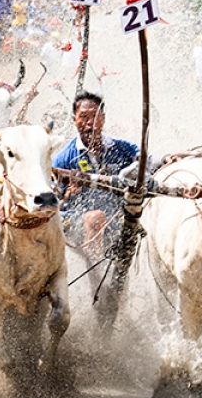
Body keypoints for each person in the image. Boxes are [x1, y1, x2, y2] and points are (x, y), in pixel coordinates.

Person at [53, 92, 140, 271]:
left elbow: (147, 161)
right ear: (74, 119)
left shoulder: (123, 149)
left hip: (117, 217)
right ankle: (97, 278)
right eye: (84, 117)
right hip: (75, 221)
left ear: (103, 119)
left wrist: (168, 160)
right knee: (96, 218)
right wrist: (67, 191)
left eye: (95, 117)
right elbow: (52, 200)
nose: (90, 123)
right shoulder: (64, 158)